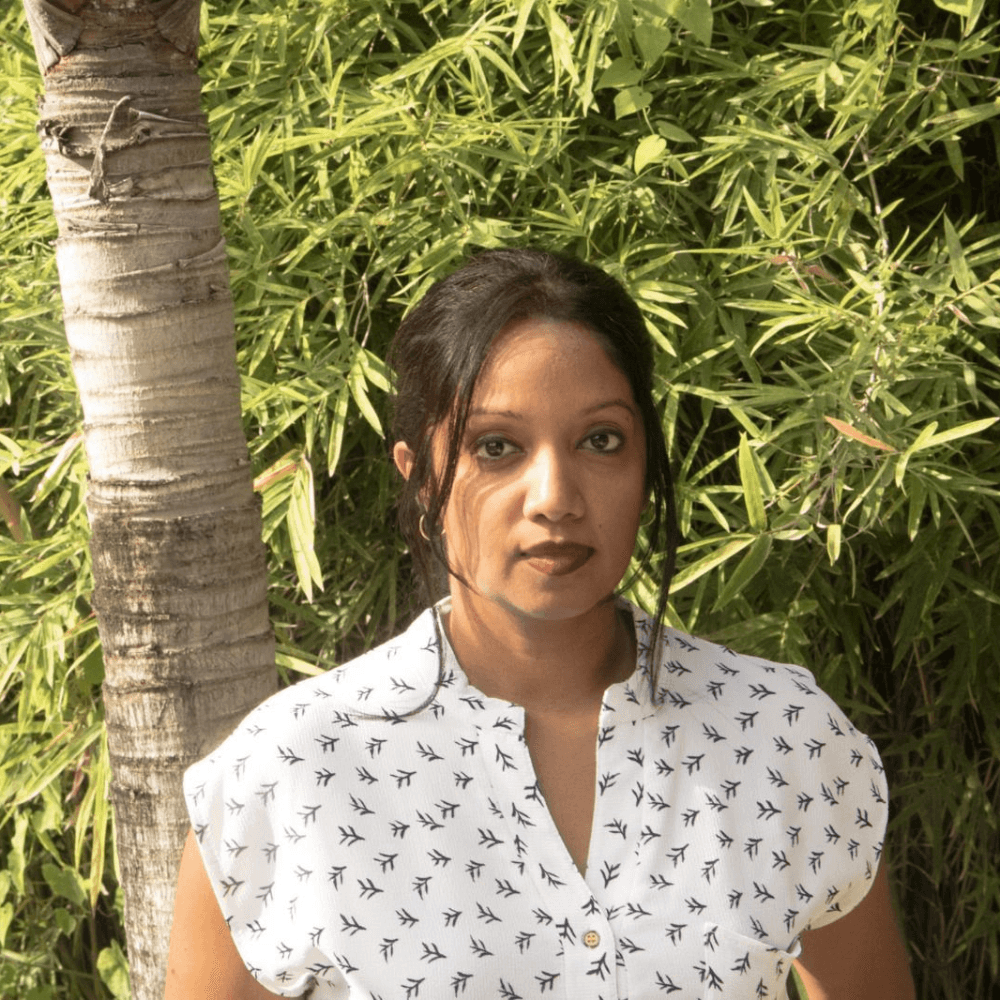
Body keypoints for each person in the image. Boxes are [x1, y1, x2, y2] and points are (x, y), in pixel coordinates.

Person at [166, 249, 915, 999]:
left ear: (646, 465)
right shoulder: (291, 772)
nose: (554, 496)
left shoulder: (781, 738)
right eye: (497, 447)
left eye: (600, 440)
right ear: (419, 474)